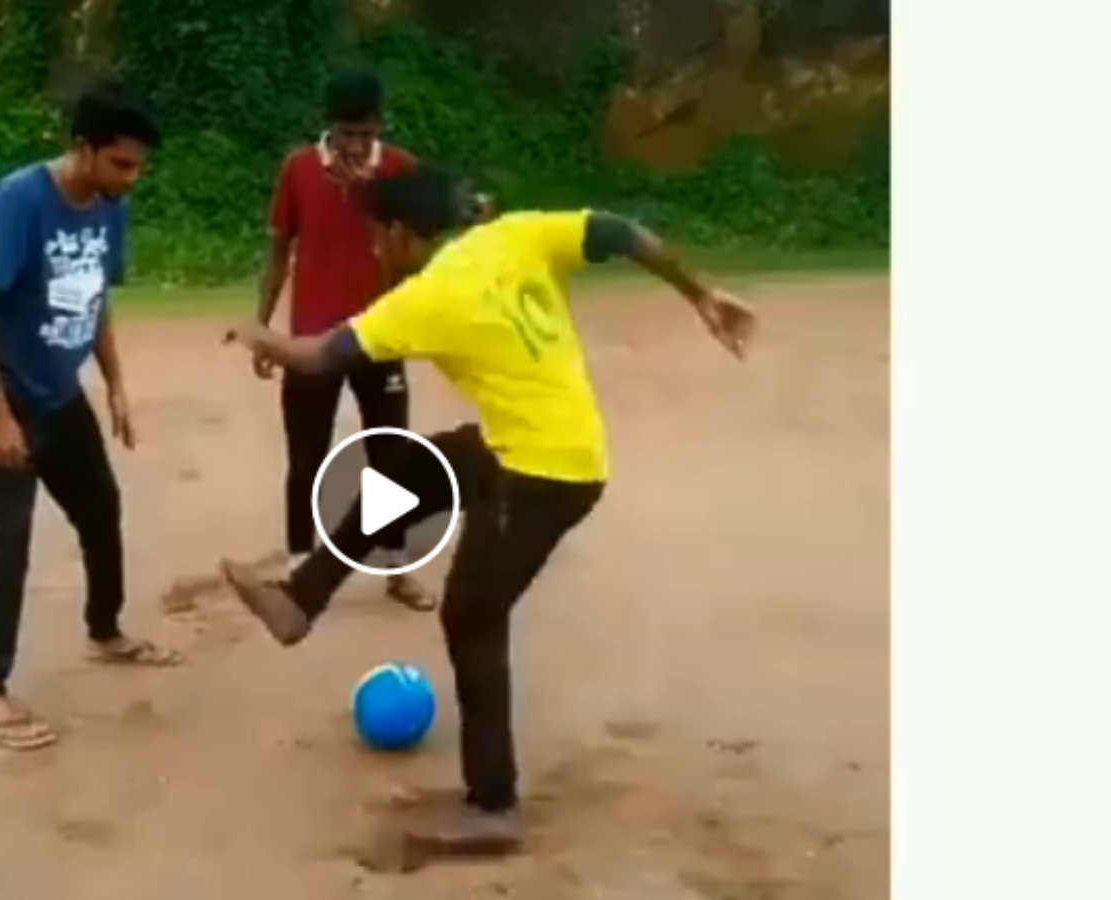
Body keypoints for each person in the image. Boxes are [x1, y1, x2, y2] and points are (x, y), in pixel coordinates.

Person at [220, 167, 757, 852]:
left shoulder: (424, 300)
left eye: (376, 240)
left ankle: (493, 806)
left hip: (541, 478)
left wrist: (255, 333)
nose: (376, 253)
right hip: (548, 449)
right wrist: (700, 292)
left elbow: (318, 356)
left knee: (472, 615)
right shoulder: (516, 234)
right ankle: (301, 599)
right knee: (409, 470)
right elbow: (621, 232)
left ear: (399, 234)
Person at [0, 76, 183, 752]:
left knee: (100, 507)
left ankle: (104, 631)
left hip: (57, 387)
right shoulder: (22, 199)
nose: (132, 178)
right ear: (83, 148)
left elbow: (96, 296)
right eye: (121, 164)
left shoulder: (110, 206)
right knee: (8, 532)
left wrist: (115, 383)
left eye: (139, 166)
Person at [253, 68, 434, 610]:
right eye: (345, 133)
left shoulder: (400, 169)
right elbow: (278, 250)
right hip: (313, 341)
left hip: (380, 337)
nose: (355, 145)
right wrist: (263, 328)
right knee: (306, 456)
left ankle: (396, 566)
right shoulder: (299, 168)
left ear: (380, 125)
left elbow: (416, 264)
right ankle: (298, 569)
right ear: (328, 127)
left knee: (390, 454)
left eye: (365, 133)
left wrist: (373, 201)